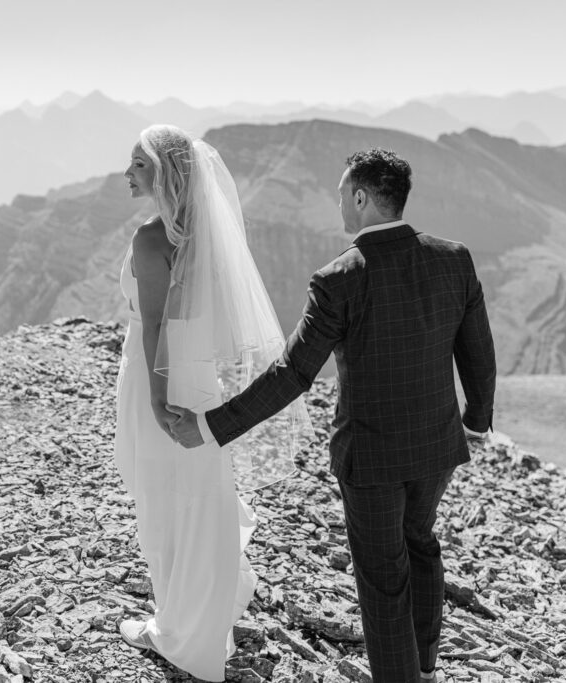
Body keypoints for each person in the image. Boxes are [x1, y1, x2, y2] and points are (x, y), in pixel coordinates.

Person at [169, 148, 496, 683]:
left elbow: (294, 374)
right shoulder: (453, 258)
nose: (338, 201)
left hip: (370, 457)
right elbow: (477, 351)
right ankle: (426, 669)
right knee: (422, 543)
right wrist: (476, 420)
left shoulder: (340, 278)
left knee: (382, 576)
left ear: (362, 198)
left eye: (343, 192)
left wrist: (210, 426)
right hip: (437, 445)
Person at [113, 124, 312, 682]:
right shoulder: (207, 231)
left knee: (161, 500)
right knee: (201, 496)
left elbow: (153, 325)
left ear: (166, 173)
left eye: (139, 165)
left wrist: (156, 398)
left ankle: (177, 632)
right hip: (198, 378)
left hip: (161, 377)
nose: (127, 173)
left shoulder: (152, 238)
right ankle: (203, 610)